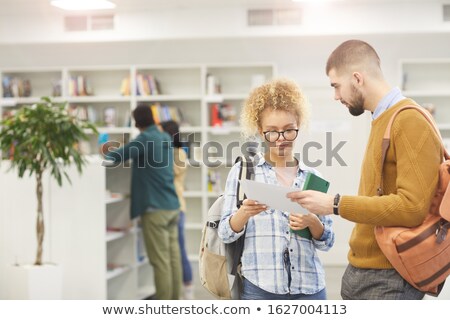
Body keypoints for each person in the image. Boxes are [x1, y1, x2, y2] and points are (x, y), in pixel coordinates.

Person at [287, 40, 442, 299]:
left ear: (357, 78)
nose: (335, 96)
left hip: (390, 276)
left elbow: (412, 208)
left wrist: (334, 204)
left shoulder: (409, 120)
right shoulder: (382, 119)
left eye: (336, 86)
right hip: (365, 270)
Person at [218, 78, 335, 300]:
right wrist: (243, 213)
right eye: (272, 132)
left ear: (298, 125)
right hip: (260, 289)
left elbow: (327, 241)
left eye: (289, 130)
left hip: (310, 290)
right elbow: (225, 233)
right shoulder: (244, 172)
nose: (281, 140)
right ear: (261, 131)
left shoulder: (313, 178)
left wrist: (312, 223)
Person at [102, 104, 182, 300]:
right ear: (154, 119)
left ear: (137, 122)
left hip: (155, 209)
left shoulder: (145, 139)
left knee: (160, 261)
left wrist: (103, 149)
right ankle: (175, 303)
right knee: (173, 259)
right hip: (172, 205)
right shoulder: (164, 137)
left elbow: (115, 156)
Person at [160, 120, 195, 300]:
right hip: (165, 206)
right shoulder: (166, 152)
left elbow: (169, 172)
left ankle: (188, 289)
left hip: (176, 207)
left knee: (179, 250)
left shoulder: (179, 153)